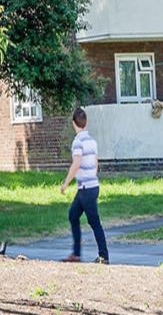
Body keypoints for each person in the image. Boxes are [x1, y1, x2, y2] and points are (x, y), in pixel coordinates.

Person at [59, 107, 109, 264]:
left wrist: (66, 183)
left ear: (74, 123)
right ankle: (76, 254)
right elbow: (96, 162)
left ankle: (104, 256)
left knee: (94, 222)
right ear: (85, 122)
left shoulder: (78, 142)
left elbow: (76, 164)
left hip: (86, 189)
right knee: (73, 215)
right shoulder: (92, 141)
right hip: (90, 187)